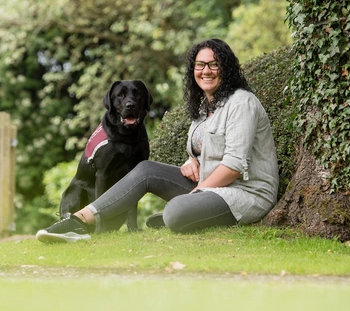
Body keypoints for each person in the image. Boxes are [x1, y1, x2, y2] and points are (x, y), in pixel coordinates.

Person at [36, 38, 279, 243]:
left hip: (245, 193)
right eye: (200, 64)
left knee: (175, 212)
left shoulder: (242, 102)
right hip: (210, 187)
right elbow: (207, 147)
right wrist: (192, 160)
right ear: (193, 70)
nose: (206, 71)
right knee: (145, 169)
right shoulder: (206, 106)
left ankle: (177, 215)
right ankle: (78, 222)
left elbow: (234, 166)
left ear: (226, 69)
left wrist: (194, 194)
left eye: (214, 64)